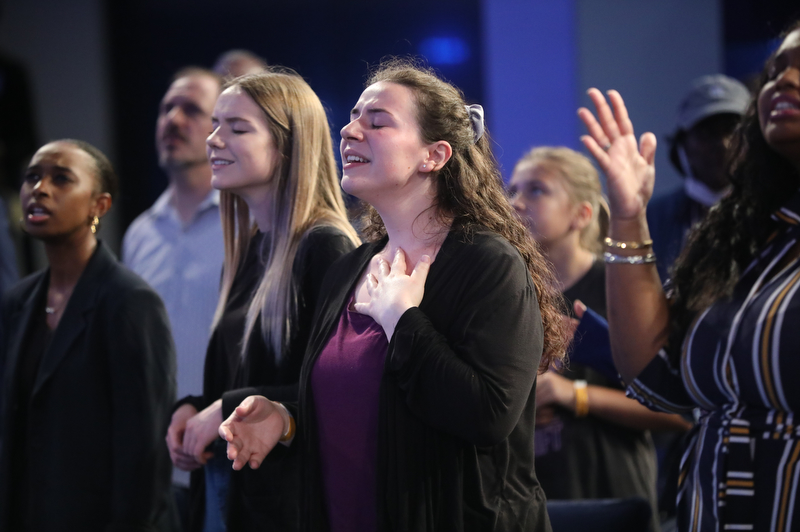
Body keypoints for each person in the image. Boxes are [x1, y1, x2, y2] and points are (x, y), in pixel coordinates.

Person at [219, 59, 570, 532]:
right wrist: (287, 420)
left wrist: (403, 320)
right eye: (352, 117)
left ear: (434, 156)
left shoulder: (486, 263)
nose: (349, 131)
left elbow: (487, 416)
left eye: (377, 121)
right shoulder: (349, 269)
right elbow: (366, 411)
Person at [577, 20, 800, 532]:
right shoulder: (739, 235)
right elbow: (657, 379)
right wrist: (628, 214)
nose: (784, 80)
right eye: (775, 70)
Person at [165, 69, 359, 532]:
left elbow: (344, 392)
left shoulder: (325, 246)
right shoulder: (251, 247)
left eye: (237, 128)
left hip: (290, 507)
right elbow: (252, 373)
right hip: (233, 496)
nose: (213, 140)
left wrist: (224, 407)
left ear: (288, 146)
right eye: (216, 124)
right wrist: (196, 406)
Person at [509, 146, 691, 531]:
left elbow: (679, 411)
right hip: (531, 501)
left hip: (610, 496)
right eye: (513, 190)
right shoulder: (507, 293)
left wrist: (571, 394)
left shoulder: (622, 290)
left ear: (582, 214)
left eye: (537, 190)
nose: (517, 203)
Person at [0, 139, 176, 530]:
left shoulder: (130, 302)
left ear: (100, 205)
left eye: (61, 179)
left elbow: (144, 455)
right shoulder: (16, 302)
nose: (39, 189)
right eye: (32, 177)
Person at [122, 66, 225, 519]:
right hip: (154, 465)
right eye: (167, 108)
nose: (174, 120)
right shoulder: (139, 233)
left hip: (225, 456)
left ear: (220, 127)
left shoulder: (245, 224)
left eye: (192, 110)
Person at [647, 75, 750, 282]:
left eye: (732, 129)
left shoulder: (775, 213)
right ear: (682, 144)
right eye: (707, 132)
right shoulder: (652, 219)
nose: (722, 144)